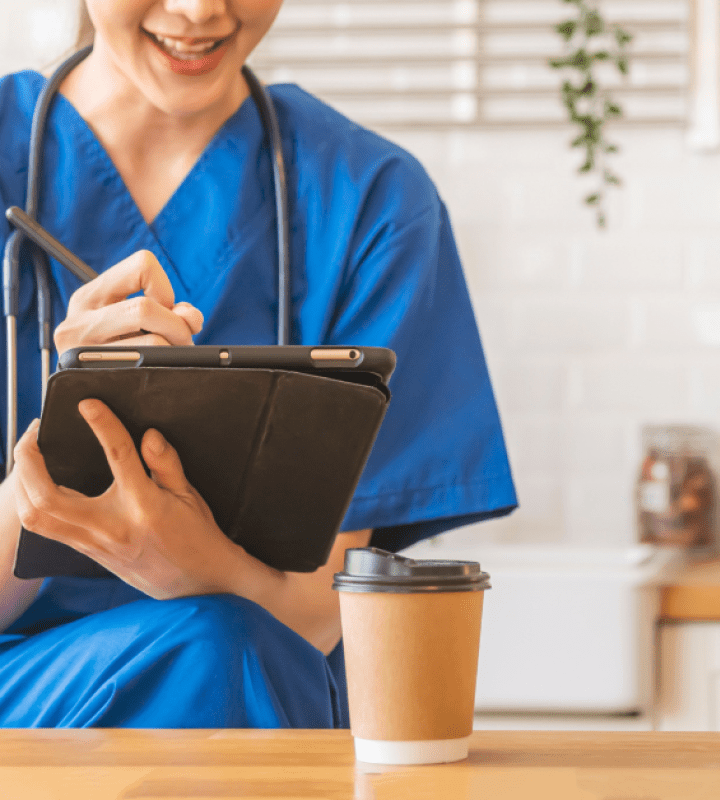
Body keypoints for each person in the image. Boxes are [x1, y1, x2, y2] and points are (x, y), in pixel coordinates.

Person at [0, 0, 517, 728]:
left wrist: (193, 568)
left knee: (219, 649)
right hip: (26, 719)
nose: (200, 10)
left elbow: (318, 615)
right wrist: (59, 459)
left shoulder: (371, 202)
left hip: (256, 710)